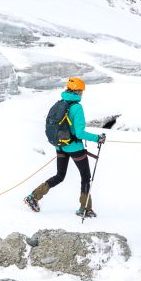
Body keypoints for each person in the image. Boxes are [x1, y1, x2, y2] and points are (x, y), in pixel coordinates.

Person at [24, 77, 104, 217]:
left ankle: (33, 196)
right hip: (74, 147)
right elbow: (79, 133)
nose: (82, 93)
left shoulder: (61, 103)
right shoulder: (76, 108)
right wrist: (97, 138)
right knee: (85, 177)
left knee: (60, 175)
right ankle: (85, 209)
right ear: (78, 91)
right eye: (81, 91)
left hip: (60, 146)